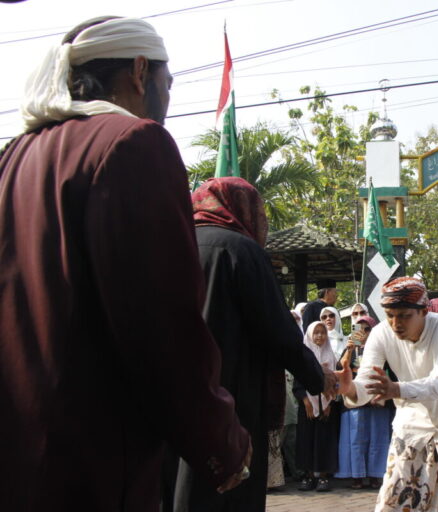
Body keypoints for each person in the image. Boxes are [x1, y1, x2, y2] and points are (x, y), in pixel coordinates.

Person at [0, 16, 251, 511]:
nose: (168, 98)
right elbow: (161, 326)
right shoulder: (134, 142)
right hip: (91, 467)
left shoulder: (14, 155)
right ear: (139, 72)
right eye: (168, 82)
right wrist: (223, 443)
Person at [173, 177, 330, 512]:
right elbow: (279, 333)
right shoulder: (241, 251)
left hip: (171, 396)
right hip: (232, 396)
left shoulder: (168, 243)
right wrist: (317, 377)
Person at [337, 276, 438, 512]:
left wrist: (395, 389)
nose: (396, 323)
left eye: (404, 315)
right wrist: (349, 388)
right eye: (390, 315)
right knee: (394, 503)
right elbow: (367, 383)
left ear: (424, 311)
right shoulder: (381, 333)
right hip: (410, 427)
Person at [336, 315, 394, 489]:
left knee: (378, 438)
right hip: (355, 401)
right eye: (359, 329)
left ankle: (376, 475)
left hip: (377, 399)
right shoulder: (350, 349)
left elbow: (390, 372)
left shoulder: (382, 349)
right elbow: (341, 368)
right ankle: (357, 476)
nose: (363, 333)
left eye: (367, 329)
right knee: (356, 440)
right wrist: (350, 349)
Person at [294, 322, 341, 492]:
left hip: (327, 407)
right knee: (307, 439)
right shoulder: (303, 358)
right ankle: (308, 476)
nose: (319, 336)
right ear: (309, 335)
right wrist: (306, 401)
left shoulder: (332, 357)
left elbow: (336, 383)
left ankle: (323, 476)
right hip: (307, 406)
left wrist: (330, 403)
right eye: (316, 333)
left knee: (324, 440)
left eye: (322, 332)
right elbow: (298, 383)